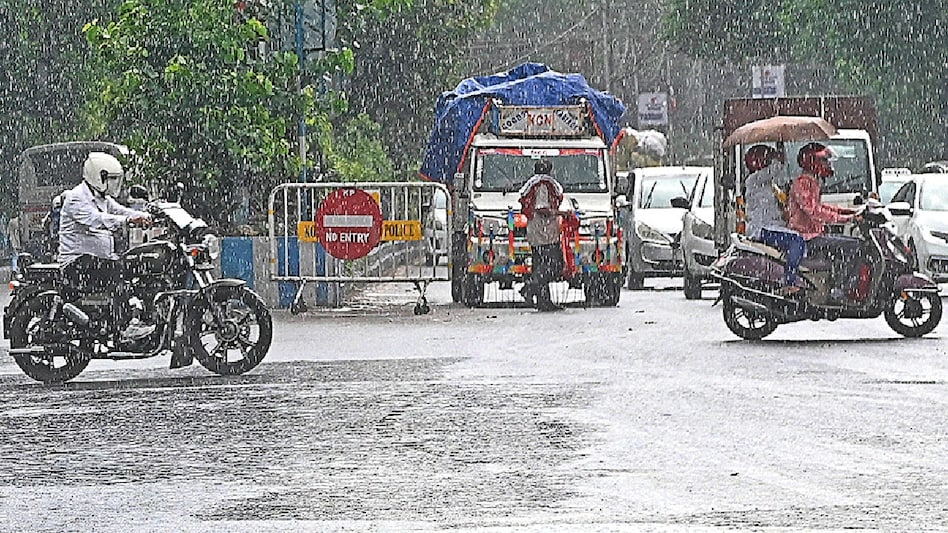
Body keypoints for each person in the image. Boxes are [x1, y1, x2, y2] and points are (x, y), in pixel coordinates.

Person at [59, 152, 153, 340]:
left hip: (96, 259)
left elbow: (120, 210)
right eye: (112, 179)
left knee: (138, 267)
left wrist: (145, 214)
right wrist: (128, 220)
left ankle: (140, 314)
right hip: (76, 262)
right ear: (99, 177)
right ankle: (125, 327)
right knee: (117, 270)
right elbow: (96, 219)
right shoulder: (76, 197)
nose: (115, 184)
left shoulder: (102, 198)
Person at [786, 142, 863, 304]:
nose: (827, 164)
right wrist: (844, 219)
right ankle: (841, 290)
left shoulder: (812, 182)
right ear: (813, 162)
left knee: (847, 246)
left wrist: (847, 212)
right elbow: (814, 211)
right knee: (854, 246)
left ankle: (836, 284)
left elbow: (821, 207)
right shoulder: (802, 183)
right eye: (824, 161)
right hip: (807, 237)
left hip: (814, 235)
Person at [743, 144, 806, 294]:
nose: (772, 162)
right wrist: (780, 150)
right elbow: (777, 167)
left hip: (771, 226)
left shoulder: (766, 184)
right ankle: (790, 282)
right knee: (797, 241)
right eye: (769, 159)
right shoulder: (755, 179)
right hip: (763, 229)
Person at [518, 159, 573, 312]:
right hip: (544, 233)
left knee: (540, 265)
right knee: (554, 265)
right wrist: (561, 213)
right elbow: (542, 208)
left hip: (537, 231)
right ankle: (530, 287)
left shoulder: (533, 183)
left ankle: (544, 301)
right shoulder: (543, 185)